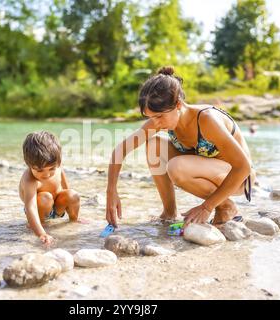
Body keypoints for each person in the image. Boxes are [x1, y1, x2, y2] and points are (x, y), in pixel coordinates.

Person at [105, 66, 255, 229]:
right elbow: (121, 150)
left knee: (177, 167)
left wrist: (206, 207)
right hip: (206, 168)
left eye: (159, 116)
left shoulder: (206, 119)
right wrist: (111, 191)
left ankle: (225, 206)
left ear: (178, 104)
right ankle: (169, 212)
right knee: (154, 144)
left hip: (238, 177)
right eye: (151, 117)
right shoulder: (161, 121)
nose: (156, 123)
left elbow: (243, 166)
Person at [19, 131, 80, 245]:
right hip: (39, 210)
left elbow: (65, 188)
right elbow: (30, 207)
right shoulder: (30, 180)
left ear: (58, 161)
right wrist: (41, 233)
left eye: (51, 169)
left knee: (72, 194)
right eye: (39, 170)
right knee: (45, 197)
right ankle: (39, 225)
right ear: (28, 164)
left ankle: (74, 220)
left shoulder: (57, 166)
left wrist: (70, 205)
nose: (46, 174)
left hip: (57, 208)